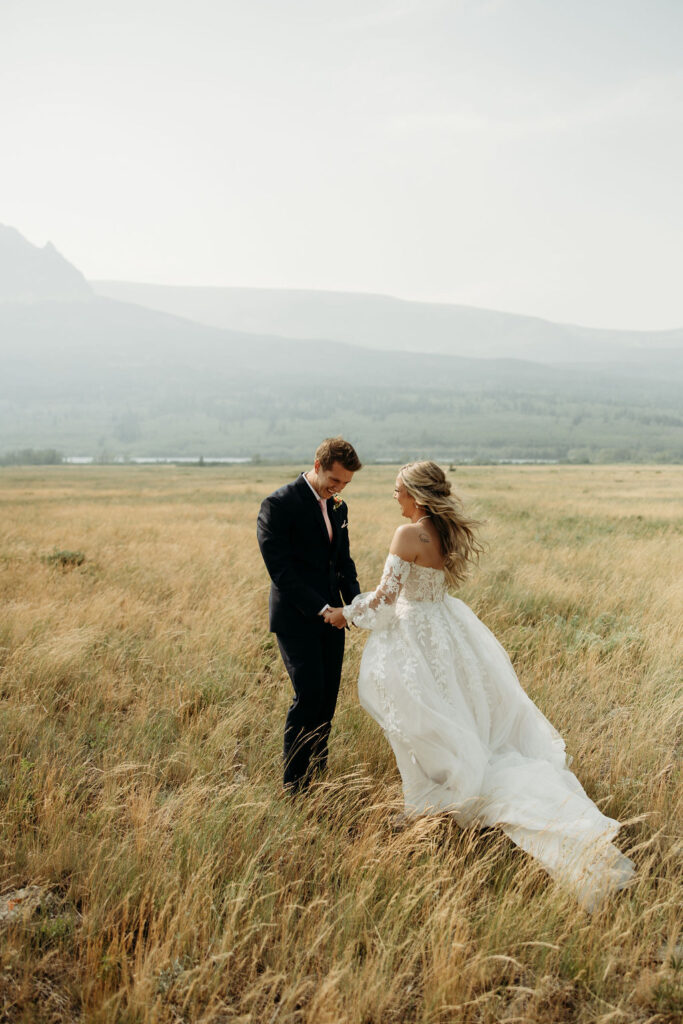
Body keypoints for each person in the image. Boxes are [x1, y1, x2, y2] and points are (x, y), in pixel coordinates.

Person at [324, 461, 634, 910]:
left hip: (416, 636)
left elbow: (385, 602)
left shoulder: (407, 534)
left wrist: (344, 614)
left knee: (420, 720)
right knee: (452, 715)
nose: (394, 496)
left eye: (398, 489)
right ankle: (436, 794)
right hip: (446, 631)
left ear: (416, 493)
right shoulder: (443, 531)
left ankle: (435, 799)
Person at [257, 437, 362, 792]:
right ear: (317, 467)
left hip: (336, 618)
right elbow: (282, 572)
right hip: (297, 618)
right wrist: (322, 609)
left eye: (345, 483)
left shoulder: (338, 507)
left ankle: (318, 777)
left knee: (328, 700)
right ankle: (294, 788)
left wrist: (357, 606)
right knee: (309, 695)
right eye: (334, 481)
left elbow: (343, 564)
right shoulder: (278, 504)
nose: (338, 489)